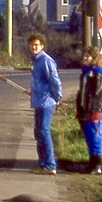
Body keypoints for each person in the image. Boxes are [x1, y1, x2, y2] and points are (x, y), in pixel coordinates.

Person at [28, 33, 62, 175]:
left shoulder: (46, 60)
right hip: (38, 101)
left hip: (46, 102)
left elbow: (55, 81)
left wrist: (57, 97)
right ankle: (42, 164)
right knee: (39, 133)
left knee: (44, 132)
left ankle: (50, 165)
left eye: (37, 45)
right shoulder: (36, 61)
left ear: (42, 46)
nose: (34, 47)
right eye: (32, 45)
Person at [76, 45, 102, 174]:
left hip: (94, 112)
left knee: (96, 137)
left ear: (93, 58)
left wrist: (98, 112)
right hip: (85, 112)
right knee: (89, 137)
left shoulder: (98, 75)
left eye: (88, 56)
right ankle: (91, 162)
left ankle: (97, 165)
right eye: (84, 56)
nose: (85, 58)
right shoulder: (86, 73)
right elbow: (82, 94)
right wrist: (79, 109)